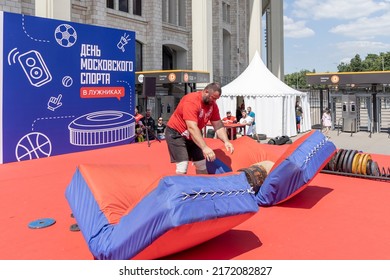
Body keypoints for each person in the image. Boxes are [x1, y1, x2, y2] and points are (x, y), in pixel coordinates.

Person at [165, 82, 234, 174]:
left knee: (201, 164)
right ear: (206, 92)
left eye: (216, 99)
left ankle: (203, 187)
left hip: (192, 134)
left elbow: (218, 124)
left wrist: (226, 141)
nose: (214, 101)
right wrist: (204, 147)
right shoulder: (191, 101)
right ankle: (179, 187)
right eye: (213, 98)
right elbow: (191, 127)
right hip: (177, 133)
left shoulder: (212, 105)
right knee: (182, 165)